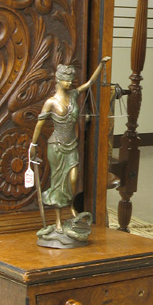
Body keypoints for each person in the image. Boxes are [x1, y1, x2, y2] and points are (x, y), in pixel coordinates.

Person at [30, 58, 108, 245]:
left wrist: (101, 65)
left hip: (71, 145)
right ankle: (57, 223)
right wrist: (32, 146)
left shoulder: (73, 95)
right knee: (57, 183)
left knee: (73, 178)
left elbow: (89, 83)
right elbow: (39, 125)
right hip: (56, 147)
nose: (70, 82)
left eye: (72, 79)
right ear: (58, 80)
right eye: (67, 79)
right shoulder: (50, 102)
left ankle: (71, 206)